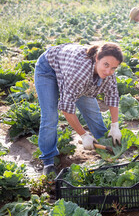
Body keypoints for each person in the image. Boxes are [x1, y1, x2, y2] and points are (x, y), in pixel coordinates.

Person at [34, 42, 123, 175]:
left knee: (93, 112)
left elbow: (113, 95)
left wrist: (115, 126)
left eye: (113, 68)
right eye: (106, 65)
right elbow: (66, 108)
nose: (108, 71)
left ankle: (109, 150)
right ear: (97, 58)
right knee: (50, 116)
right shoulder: (79, 73)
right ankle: (48, 161)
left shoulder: (108, 72)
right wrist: (84, 135)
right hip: (48, 69)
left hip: (72, 69)